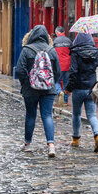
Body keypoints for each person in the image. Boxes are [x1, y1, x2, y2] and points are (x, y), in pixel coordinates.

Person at [15, 25, 61, 157]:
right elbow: (57, 71)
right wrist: (51, 82)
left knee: (31, 115)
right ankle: (51, 146)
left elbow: (19, 70)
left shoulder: (27, 50)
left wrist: (26, 83)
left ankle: (27, 144)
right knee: (47, 115)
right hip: (48, 89)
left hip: (30, 89)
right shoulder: (51, 50)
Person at [64, 33, 98, 151]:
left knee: (76, 114)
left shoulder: (76, 53)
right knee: (92, 115)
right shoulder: (97, 53)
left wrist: (69, 88)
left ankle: (76, 139)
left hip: (78, 88)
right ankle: (97, 135)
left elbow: (73, 72)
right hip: (91, 87)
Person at [54, 26, 72, 105]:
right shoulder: (69, 40)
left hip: (59, 65)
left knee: (56, 81)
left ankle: (59, 91)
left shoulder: (55, 41)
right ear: (64, 32)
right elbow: (72, 52)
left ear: (57, 33)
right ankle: (65, 101)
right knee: (66, 83)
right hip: (68, 65)